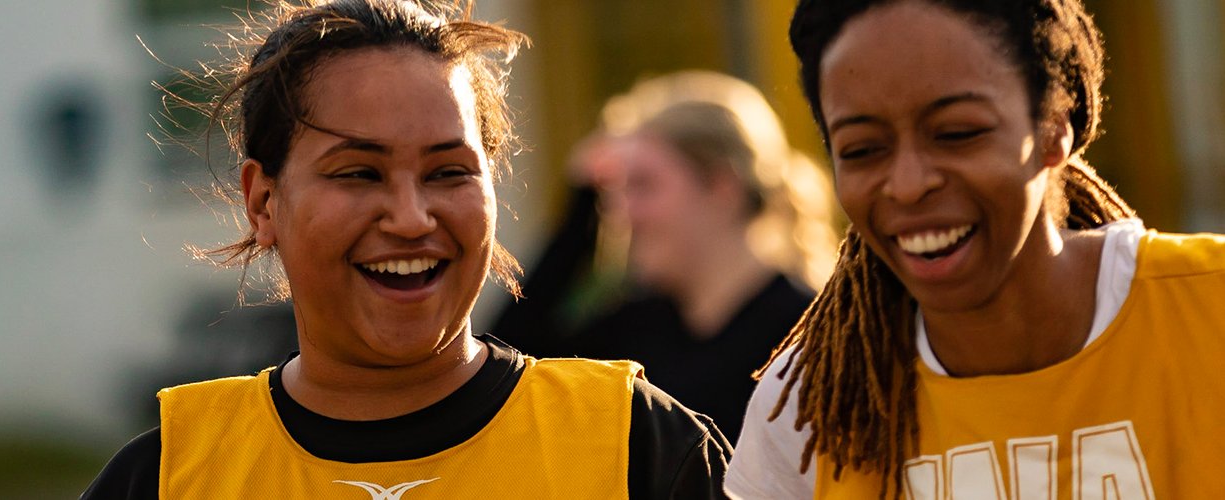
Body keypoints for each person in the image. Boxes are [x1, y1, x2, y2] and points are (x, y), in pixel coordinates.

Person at [80, 1, 731, 498]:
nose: (413, 218)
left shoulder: (634, 444)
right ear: (262, 201)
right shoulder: (169, 477)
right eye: (358, 172)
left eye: (449, 172)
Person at [725, 0, 1225, 498]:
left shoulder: (1209, 308)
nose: (908, 184)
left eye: (958, 133)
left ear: (1055, 125)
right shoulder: (814, 408)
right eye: (862, 150)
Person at [492, 71, 839, 441]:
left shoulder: (812, 337)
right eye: (615, 193)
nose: (622, 214)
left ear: (721, 187)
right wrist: (578, 218)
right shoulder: (639, 328)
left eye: (643, 186)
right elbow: (503, 382)